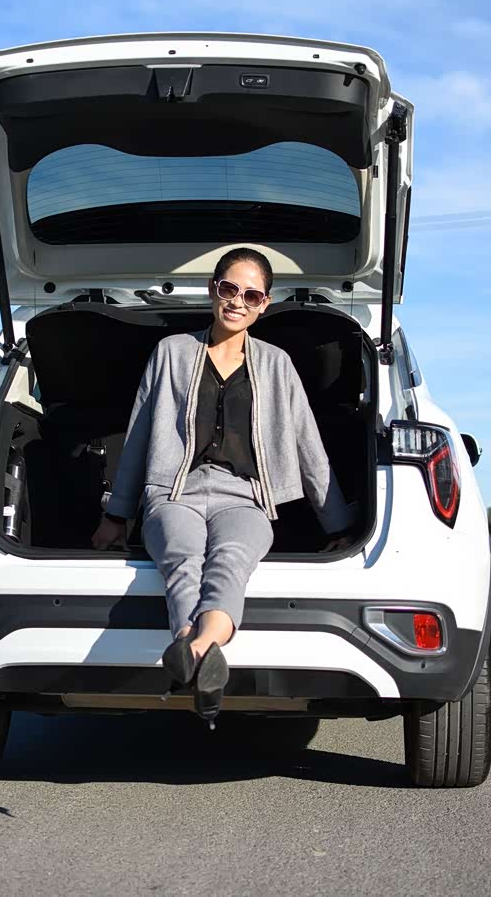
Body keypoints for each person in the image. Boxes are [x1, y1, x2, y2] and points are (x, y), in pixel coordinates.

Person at [91, 247, 356, 727]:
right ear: (213, 289)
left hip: (246, 498)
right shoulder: (172, 352)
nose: (237, 301)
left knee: (231, 561)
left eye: (251, 295)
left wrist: (336, 524)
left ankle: (192, 649)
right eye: (229, 289)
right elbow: (139, 435)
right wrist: (116, 515)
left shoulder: (276, 364)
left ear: (264, 304)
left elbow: (308, 447)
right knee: (182, 557)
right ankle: (205, 654)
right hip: (175, 493)